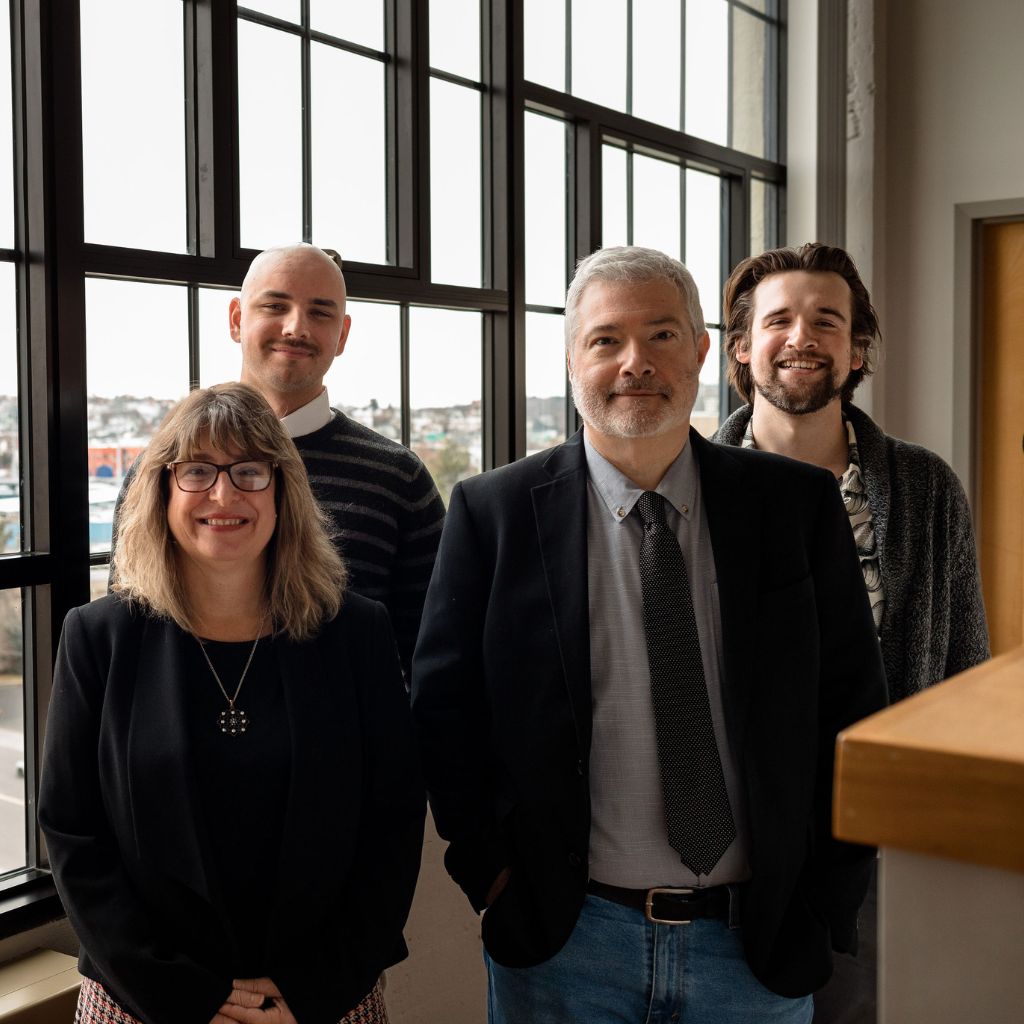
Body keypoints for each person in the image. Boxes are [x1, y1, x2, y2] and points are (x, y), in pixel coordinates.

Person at [411, 246, 888, 1023]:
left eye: (662, 335)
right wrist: (492, 873)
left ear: (702, 350)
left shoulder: (794, 506)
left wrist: (829, 891)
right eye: (606, 340)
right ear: (571, 359)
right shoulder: (493, 514)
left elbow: (851, 703)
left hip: (754, 945)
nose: (635, 362)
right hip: (569, 944)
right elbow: (445, 712)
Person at [41, 383, 425, 1024]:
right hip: (142, 1000)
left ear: (283, 491)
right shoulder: (99, 637)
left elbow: (392, 824)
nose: (224, 495)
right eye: (197, 471)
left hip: (318, 1001)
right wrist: (179, 992)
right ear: (162, 490)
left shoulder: (357, 634)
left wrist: (312, 988)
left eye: (249, 471)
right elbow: (72, 831)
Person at [712, 242, 990, 1022]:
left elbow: (967, 656)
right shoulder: (697, 486)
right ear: (741, 346)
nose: (801, 337)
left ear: (856, 347)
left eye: (826, 320)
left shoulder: (925, 486)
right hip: (733, 836)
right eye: (778, 320)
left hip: (878, 834)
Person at [112, 244, 445, 679]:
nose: (295, 327)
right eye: (275, 305)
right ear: (236, 320)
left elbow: (429, 656)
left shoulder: (399, 478)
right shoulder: (164, 469)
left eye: (320, 313)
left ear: (342, 335)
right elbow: (130, 625)